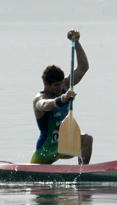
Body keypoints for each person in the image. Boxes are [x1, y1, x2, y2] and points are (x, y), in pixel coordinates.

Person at [31, 29, 93, 165]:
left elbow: (83, 67)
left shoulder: (65, 85)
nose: (60, 88)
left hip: (64, 145)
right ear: (46, 83)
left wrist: (76, 43)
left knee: (87, 139)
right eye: (56, 85)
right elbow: (45, 105)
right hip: (45, 151)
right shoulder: (40, 98)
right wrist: (63, 99)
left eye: (61, 85)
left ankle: (82, 174)